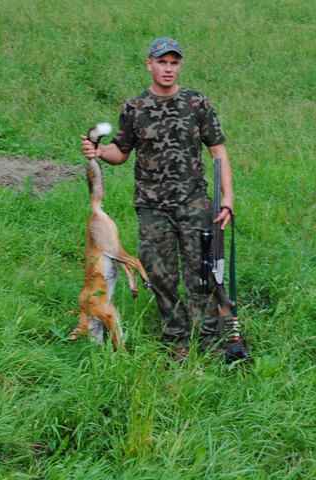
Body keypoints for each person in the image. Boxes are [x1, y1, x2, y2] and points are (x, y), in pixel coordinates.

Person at [81, 37, 248, 362]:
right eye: (162, 62)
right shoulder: (134, 108)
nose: (168, 68)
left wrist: (227, 198)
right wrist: (99, 151)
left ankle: (209, 339)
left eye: (174, 63)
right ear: (150, 64)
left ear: (179, 66)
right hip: (152, 207)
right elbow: (121, 153)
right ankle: (176, 341)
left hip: (194, 204)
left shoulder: (197, 103)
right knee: (159, 274)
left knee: (202, 274)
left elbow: (218, 152)